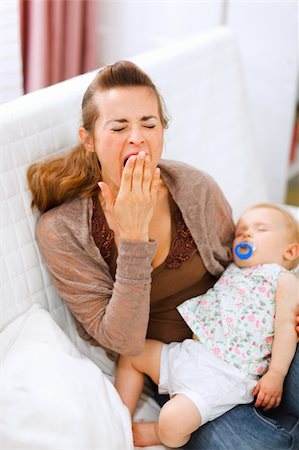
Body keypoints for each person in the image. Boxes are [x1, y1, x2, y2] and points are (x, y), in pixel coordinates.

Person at [27, 60, 299, 449]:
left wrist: (285, 303)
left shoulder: (194, 186)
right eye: (118, 127)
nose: (136, 138)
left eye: (149, 124)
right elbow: (123, 342)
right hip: (179, 372)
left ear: (163, 131)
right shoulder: (62, 230)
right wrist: (134, 239)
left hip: (251, 341)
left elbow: (244, 265)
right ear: (88, 138)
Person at [115, 203, 299, 448]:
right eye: (241, 231)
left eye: (261, 229)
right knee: (133, 352)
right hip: (192, 352)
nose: (245, 234)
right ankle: (117, 417)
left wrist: (276, 373)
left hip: (227, 372)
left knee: (172, 420)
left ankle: (160, 433)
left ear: (290, 251)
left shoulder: (283, 279)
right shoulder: (232, 268)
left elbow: (287, 326)